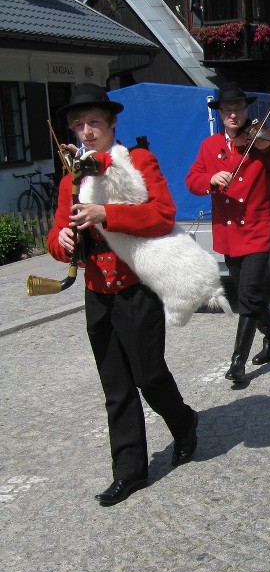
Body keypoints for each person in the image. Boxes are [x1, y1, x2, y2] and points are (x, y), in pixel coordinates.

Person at [47, 83, 199, 506]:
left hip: (137, 285)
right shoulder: (70, 181)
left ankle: (184, 423)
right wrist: (62, 240)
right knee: (116, 386)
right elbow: (56, 241)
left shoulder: (138, 160)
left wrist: (106, 214)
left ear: (112, 124)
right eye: (79, 125)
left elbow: (163, 214)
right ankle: (130, 471)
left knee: (149, 375)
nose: (87, 131)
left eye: (94, 122)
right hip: (97, 292)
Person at [185, 83, 270, 383]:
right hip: (228, 231)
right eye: (228, 109)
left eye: (239, 109)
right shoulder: (210, 147)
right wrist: (210, 178)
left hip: (257, 228)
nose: (234, 114)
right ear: (220, 113)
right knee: (253, 294)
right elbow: (192, 180)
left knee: (247, 295)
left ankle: (237, 362)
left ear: (247, 111)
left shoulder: (263, 143)